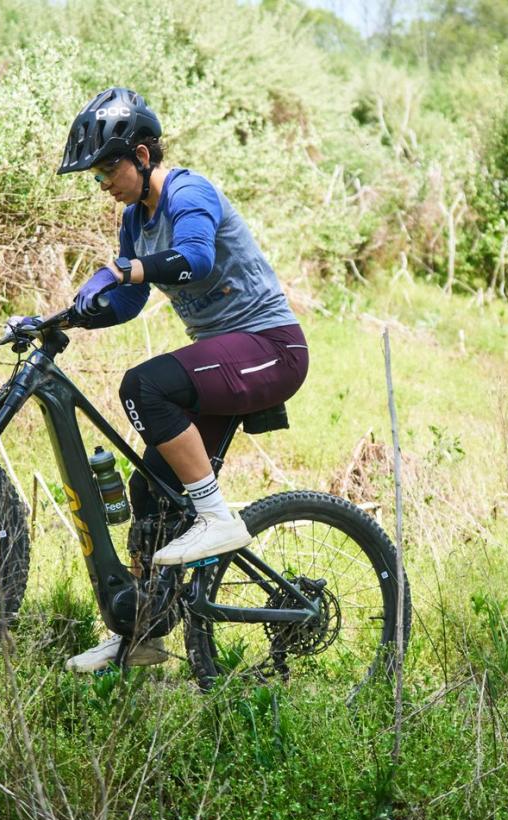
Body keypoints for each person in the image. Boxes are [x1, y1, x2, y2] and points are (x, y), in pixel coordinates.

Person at [56, 87, 308, 671]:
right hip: (226, 357)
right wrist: (68, 315)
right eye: (96, 174)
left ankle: (219, 519)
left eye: (108, 167)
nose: (103, 182)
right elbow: (131, 300)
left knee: (143, 386)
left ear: (143, 155)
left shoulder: (188, 192)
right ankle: (142, 634)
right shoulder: (133, 220)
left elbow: (191, 258)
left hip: (270, 348)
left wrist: (123, 267)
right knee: (151, 491)